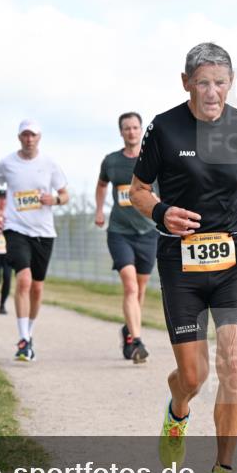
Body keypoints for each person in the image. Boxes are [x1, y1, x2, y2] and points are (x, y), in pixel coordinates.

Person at [129, 42, 237, 473]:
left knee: (234, 362)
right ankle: (177, 411)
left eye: (220, 82)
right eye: (203, 82)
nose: (212, 92)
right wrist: (161, 211)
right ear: (186, 84)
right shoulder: (164, 127)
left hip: (233, 258)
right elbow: (137, 190)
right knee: (193, 376)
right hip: (180, 262)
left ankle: (223, 471)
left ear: (231, 83)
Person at [0, 119, 69, 361]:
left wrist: (54, 200)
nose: (29, 139)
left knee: (37, 287)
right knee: (23, 280)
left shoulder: (50, 164)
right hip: (16, 228)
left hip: (44, 232)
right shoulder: (8, 163)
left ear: (39, 137)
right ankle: (23, 339)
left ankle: (29, 333)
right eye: (25, 135)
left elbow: (65, 194)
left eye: (33, 135)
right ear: (19, 137)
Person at [95, 111, 157, 363]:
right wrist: (99, 210)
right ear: (121, 132)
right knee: (130, 286)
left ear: (141, 130)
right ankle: (138, 341)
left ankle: (129, 331)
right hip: (119, 232)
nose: (131, 132)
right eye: (126, 128)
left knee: (140, 290)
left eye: (135, 127)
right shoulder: (111, 161)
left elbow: (165, 188)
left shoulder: (153, 158)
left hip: (148, 232)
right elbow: (101, 185)